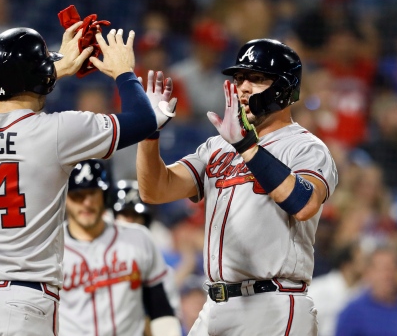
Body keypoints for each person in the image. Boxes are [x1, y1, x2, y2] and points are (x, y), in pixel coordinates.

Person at [0, 21, 177, 336]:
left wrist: (52, 70)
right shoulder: (56, 131)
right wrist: (124, 72)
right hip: (23, 299)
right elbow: (143, 120)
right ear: (38, 79)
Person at [137, 38, 339, 335]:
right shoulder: (218, 145)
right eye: (239, 78)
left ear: (283, 88)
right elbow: (155, 189)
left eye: (255, 79)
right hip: (216, 304)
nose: (242, 87)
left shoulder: (306, 147)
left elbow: (304, 204)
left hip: (273, 304)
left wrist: (246, 145)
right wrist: (149, 133)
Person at [59, 160, 181, 336]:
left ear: (105, 194)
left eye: (93, 193)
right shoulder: (50, 249)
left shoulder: (137, 238)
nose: (86, 203)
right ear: (65, 198)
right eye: (78, 195)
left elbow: (160, 309)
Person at [308, 242, 365, 336]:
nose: (365, 265)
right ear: (347, 265)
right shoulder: (319, 288)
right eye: (361, 261)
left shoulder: (365, 290)